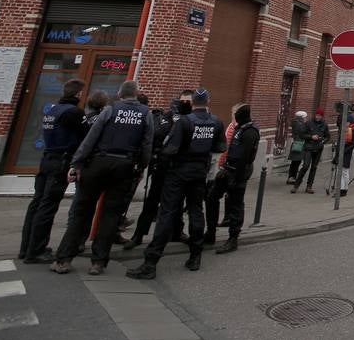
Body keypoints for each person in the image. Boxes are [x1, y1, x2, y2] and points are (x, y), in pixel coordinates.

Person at [51, 81, 152, 275]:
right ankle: (98, 262)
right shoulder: (145, 113)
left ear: (120, 93)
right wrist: (141, 166)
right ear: (136, 94)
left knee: (82, 210)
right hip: (124, 165)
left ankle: (64, 258)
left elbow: (92, 137)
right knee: (111, 214)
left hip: (98, 162)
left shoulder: (110, 109)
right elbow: (147, 143)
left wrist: (76, 163)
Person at [127, 88, 225, 279]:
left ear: (191, 102)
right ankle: (195, 256)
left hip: (178, 171)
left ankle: (151, 263)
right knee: (197, 211)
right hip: (200, 171)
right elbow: (220, 146)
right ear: (208, 101)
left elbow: (170, 148)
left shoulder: (185, 122)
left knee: (167, 213)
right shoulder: (216, 121)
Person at [19, 78, 86, 264]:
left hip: (46, 159)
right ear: (79, 94)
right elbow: (86, 135)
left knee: (37, 202)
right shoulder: (73, 112)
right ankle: (37, 251)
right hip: (61, 161)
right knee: (48, 206)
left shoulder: (53, 110)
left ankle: (26, 247)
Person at [123, 95, 184, 250]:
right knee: (151, 203)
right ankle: (138, 235)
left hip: (179, 169)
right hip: (161, 167)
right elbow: (156, 135)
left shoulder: (189, 120)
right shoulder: (165, 118)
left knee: (175, 205)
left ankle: (176, 232)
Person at [207, 103, 259, 254]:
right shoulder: (239, 128)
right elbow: (232, 149)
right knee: (212, 197)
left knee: (236, 204)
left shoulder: (250, 132)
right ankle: (210, 231)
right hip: (228, 169)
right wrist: (225, 167)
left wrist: (235, 177)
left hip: (238, 173)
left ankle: (233, 238)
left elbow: (245, 157)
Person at [292, 109, 329, 193]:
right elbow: (302, 134)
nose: (317, 117)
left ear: (322, 116)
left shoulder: (324, 125)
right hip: (309, 147)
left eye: (319, 115)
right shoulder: (309, 123)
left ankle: (309, 186)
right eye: (317, 115)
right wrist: (311, 137)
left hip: (318, 148)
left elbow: (327, 136)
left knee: (314, 167)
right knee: (305, 166)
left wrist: (323, 141)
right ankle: (296, 184)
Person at [287, 110, 307, 183]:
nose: (306, 119)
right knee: (296, 162)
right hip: (299, 144)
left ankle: (291, 177)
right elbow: (303, 132)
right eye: (305, 118)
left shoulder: (295, 123)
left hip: (297, 143)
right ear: (302, 118)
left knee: (295, 162)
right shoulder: (300, 125)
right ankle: (292, 177)